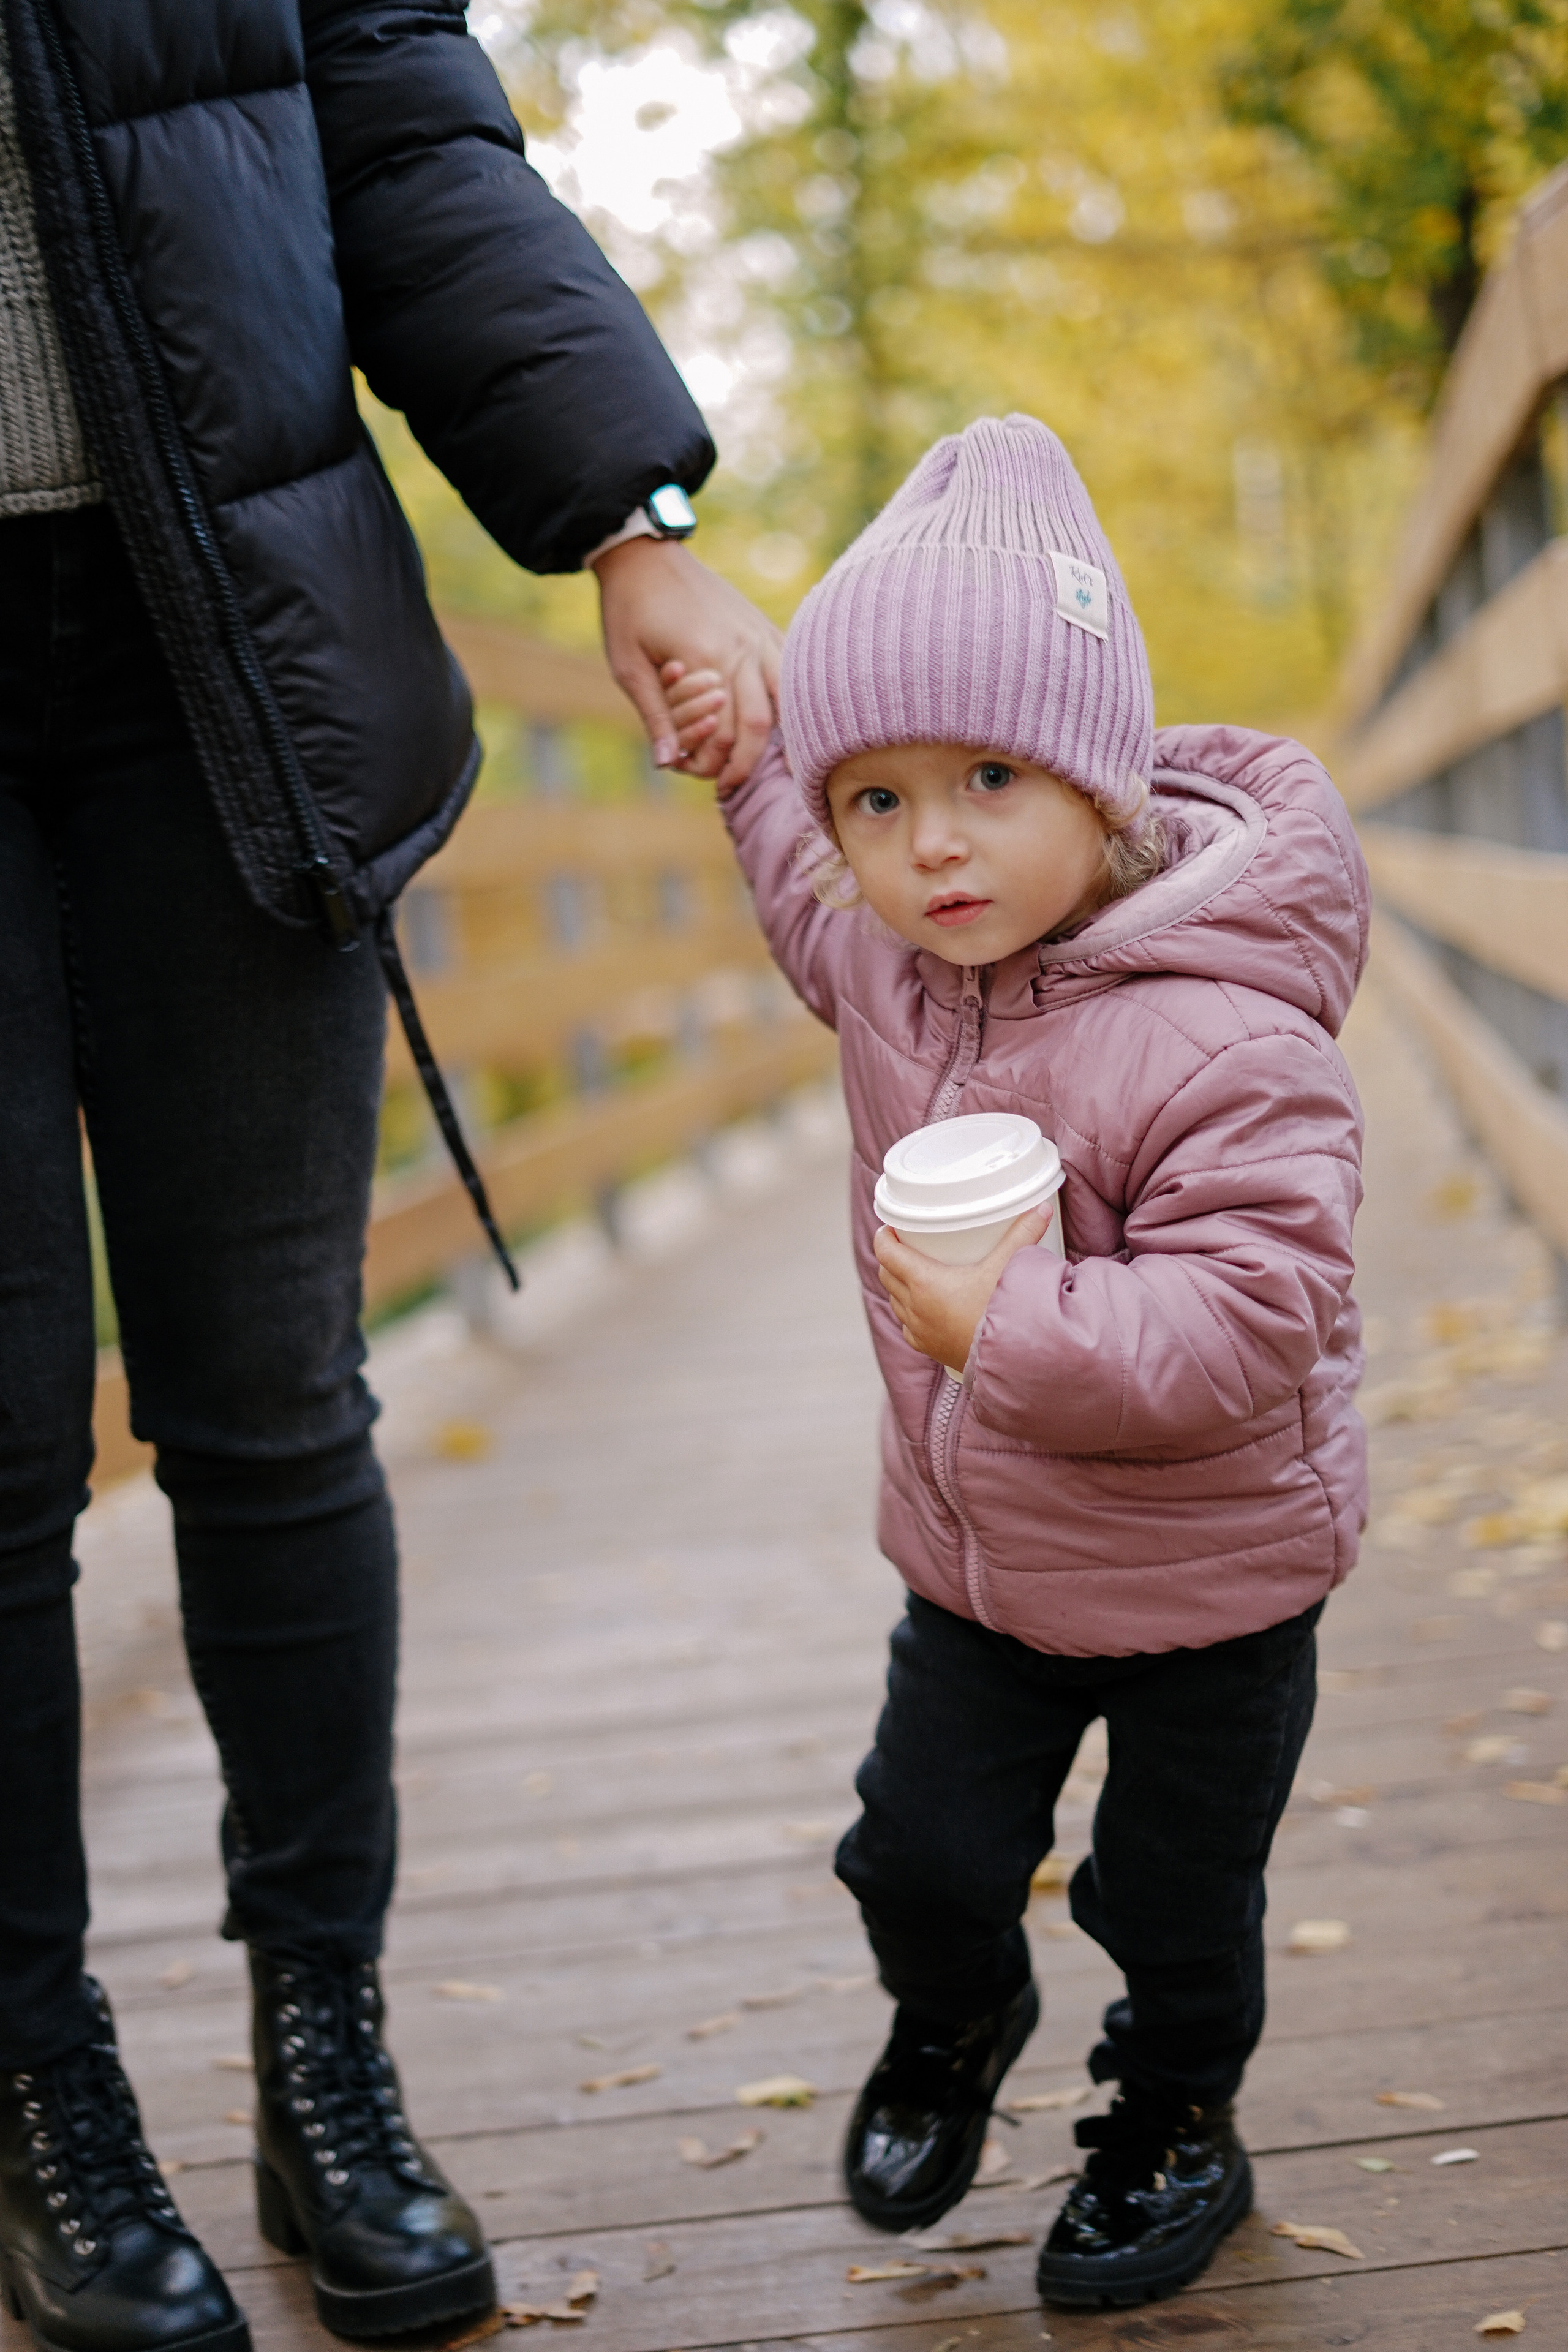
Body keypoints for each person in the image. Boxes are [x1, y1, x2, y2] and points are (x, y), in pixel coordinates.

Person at [0, 6, 777, 2351]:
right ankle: (44, 2089)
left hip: (215, 644)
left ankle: (323, 2054)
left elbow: (407, 143)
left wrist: (626, 518)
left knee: (270, 1393)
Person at [670, 413, 1370, 2310]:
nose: (932, 845)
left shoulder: (1229, 1036)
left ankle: (1171, 2124)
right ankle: (955, 2017)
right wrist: (745, 742)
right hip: (979, 1568)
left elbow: (1248, 1318)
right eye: (878, 801)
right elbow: (791, 865)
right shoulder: (887, 957)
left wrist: (1013, 1331)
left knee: (1172, 1901)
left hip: (1217, 1584)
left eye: (988, 775)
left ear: (1101, 783)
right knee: (915, 1853)